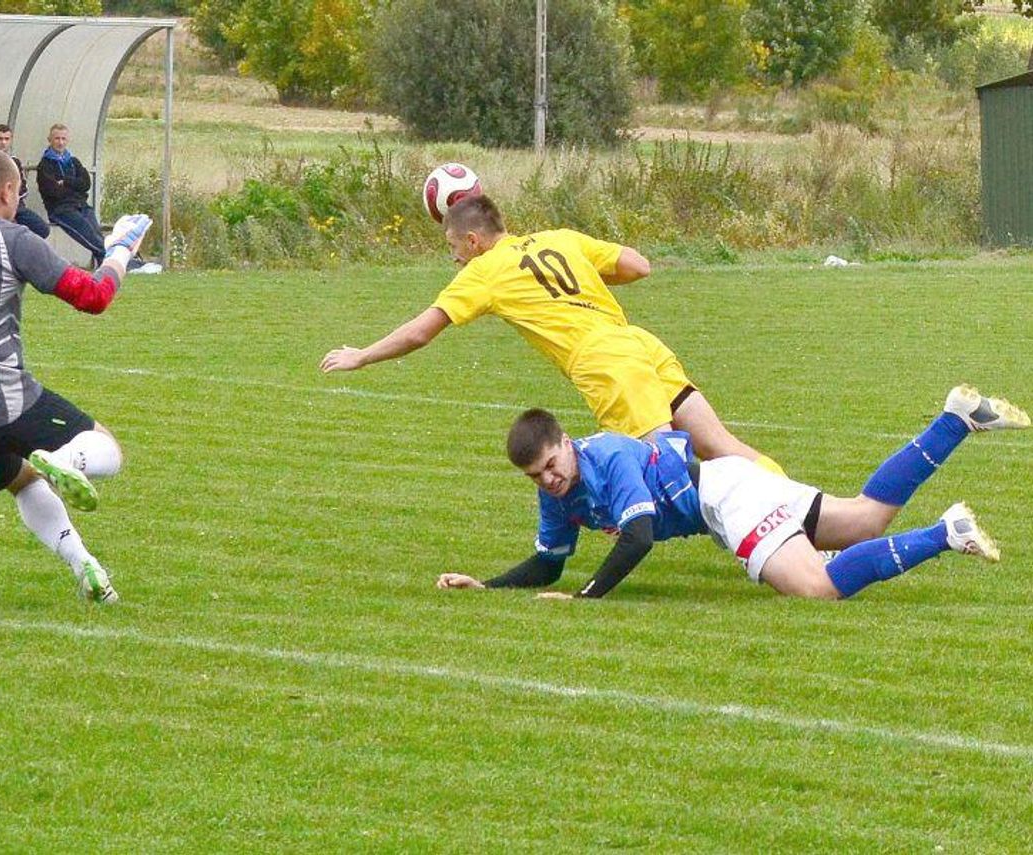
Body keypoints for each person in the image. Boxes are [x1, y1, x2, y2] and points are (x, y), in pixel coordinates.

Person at [321, 194, 780, 472]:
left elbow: (421, 332)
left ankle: (779, 539)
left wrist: (362, 355)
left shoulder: (485, 272)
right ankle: (808, 519)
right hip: (638, 343)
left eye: (453, 246)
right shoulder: (559, 238)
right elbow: (638, 265)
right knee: (721, 446)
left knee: (667, 471)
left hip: (603, 360)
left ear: (474, 241)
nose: (454, 257)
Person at [437, 387, 1029, 600]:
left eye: (550, 465)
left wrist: (588, 597)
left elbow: (639, 534)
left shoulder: (608, 455)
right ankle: (955, 420)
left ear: (566, 443)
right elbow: (547, 565)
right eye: (536, 477)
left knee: (816, 588)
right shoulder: (558, 493)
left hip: (727, 499)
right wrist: (484, 585)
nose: (548, 480)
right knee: (866, 519)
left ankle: (945, 532)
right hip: (734, 485)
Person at [0, 113, 152, 604]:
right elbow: (94, 296)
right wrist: (121, 248)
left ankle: (87, 570)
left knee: (23, 480)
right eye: (17, 194)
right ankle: (67, 459)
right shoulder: (13, 238)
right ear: (7, 192)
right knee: (106, 449)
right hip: (1, 401)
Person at [37, 122, 105, 268]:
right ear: (50, 140)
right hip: (60, 209)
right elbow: (52, 192)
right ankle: (108, 258)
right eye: (57, 139)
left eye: (63, 139)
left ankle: (104, 260)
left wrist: (65, 181)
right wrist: (74, 186)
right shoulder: (45, 165)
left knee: (95, 231)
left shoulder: (73, 161)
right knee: (86, 231)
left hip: (81, 205)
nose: (60, 142)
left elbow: (86, 184)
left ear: (67, 140)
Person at [0, 123, 50, 238]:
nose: (3, 142)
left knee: (42, 229)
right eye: (0, 139)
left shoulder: (15, 162)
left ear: (11, 140)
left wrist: (13, 202)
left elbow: (23, 188)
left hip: (16, 206)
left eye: (6, 139)